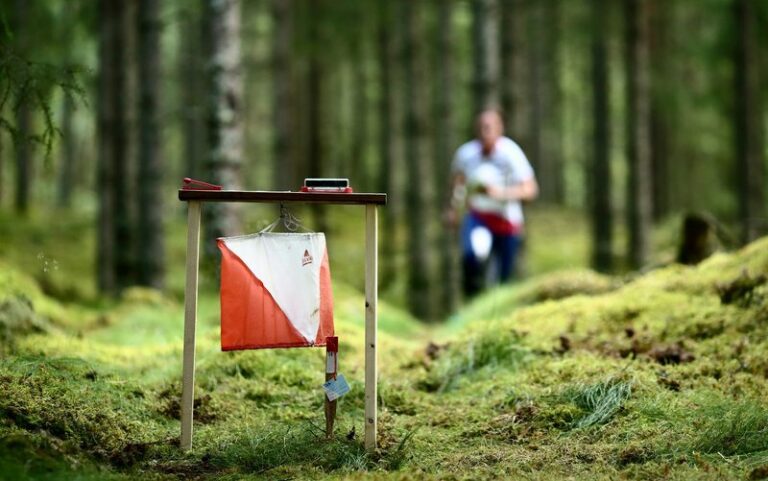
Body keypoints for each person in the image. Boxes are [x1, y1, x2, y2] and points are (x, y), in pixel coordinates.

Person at [446, 110, 538, 298]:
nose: (484, 132)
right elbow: (457, 183)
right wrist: (452, 210)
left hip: (507, 222)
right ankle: (470, 304)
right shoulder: (465, 154)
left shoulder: (512, 153)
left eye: (489, 127)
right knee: (472, 258)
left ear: (499, 129)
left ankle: (497, 310)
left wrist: (500, 194)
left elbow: (530, 190)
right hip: (479, 217)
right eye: (481, 127)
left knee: (504, 278)